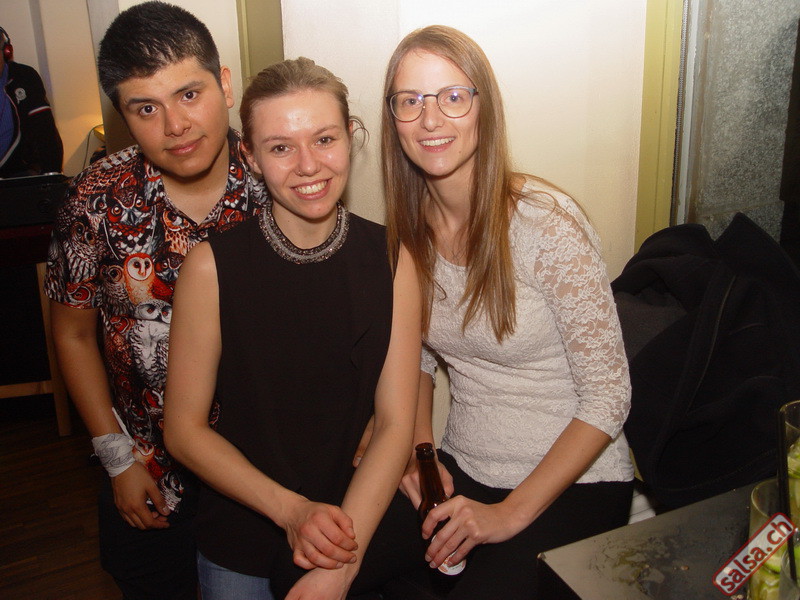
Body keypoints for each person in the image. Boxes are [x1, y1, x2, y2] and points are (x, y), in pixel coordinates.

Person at [378, 25, 635, 599]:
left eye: (452, 96)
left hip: (574, 481)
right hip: (464, 467)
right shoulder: (408, 235)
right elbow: (418, 359)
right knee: (322, 567)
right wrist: (422, 458)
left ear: (483, 109)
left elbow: (609, 395)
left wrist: (507, 514)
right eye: (410, 101)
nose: (430, 119)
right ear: (393, 119)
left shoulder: (546, 225)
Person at [162, 57, 422, 600]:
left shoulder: (392, 260)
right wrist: (292, 511)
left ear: (350, 136)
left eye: (324, 139)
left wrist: (342, 564)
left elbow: (396, 424)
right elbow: (184, 431)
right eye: (281, 147)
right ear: (250, 158)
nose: (308, 165)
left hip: (353, 526)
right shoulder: (211, 268)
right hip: (243, 539)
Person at [44, 2, 267, 598]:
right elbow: (71, 333)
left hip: (265, 470)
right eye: (146, 108)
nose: (175, 125)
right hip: (147, 470)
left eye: (189, 94)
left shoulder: (277, 181)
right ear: (123, 116)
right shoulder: (94, 199)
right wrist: (117, 457)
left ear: (224, 84)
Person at [0, 24, 63, 177]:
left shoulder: (24, 77)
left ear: (6, 52)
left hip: (18, 176)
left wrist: (51, 178)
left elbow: (45, 134)